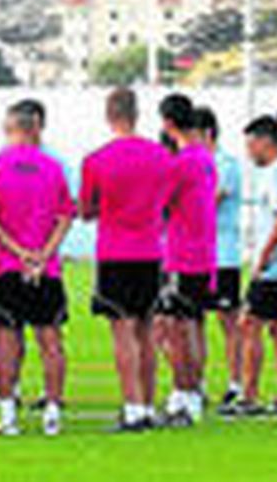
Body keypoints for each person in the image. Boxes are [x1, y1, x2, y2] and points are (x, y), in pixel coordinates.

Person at [0, 101, 75, 437]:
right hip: (46, 270)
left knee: (6, 340)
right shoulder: (53, 167)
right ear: (37, 128)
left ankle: (8, 417)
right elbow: (65, 217)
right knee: (50, 340)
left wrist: (20, 253)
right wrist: (43, 255)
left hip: (6, 266)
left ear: (10, 128)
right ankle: (52, 413)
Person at [79, 87, 169, 432]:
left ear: (108, 115)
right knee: (147, 331)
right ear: (137, 114)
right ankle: (146, 405)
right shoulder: (161, 156)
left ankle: (131, 407)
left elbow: (86, 210)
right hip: (150, 252)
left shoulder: (96, 160)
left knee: (123, 332)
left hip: (116, 252)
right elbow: (168, 203)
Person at [231, 115, 277, 416]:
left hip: (274, 268)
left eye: (251, 145)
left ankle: (250, 397)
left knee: (249, 325)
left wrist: (265, 253)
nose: (249, 153)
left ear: (265, 142)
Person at [154, 95, 217, 427]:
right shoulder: (205, 158)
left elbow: (158, 204)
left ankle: (186, 395)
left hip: (182, 254)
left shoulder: (181, 163)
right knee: (189, 324)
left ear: (167, 123)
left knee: (178, 329)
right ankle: (189, 395)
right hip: (203, 253)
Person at [196, 107, 248, 411]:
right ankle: (197, 382)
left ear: (207, 133)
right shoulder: (194, 163)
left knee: (229, 321)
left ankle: (235, 383)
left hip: (224, 254)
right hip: (199, 254)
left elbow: (207, 203)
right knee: (195, 321)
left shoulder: (226, 165)